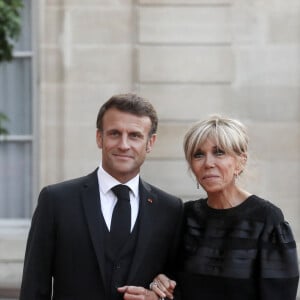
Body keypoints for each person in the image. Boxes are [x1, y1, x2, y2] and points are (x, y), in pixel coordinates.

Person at [19, 93, 183, 300]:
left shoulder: (170, 209)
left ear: (150, 143)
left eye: (135, 135)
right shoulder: (56, 200)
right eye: (115, 133)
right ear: (100, 138)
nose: (124, 145)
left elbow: (174, 284)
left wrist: (156, 293)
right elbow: (34, 287)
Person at [151, 115, 299, 300]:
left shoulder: (267, 219)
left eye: (219, 152)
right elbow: (165, 283)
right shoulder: (185, 217)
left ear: (241, 161)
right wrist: (158, 283)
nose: (208, 163)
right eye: (198, 154)